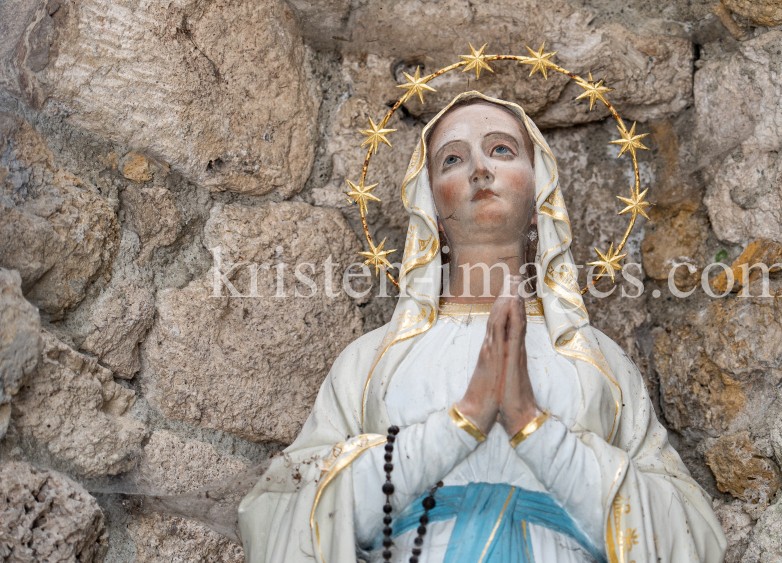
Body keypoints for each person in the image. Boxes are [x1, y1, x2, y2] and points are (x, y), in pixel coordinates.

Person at [237, 91, 727, 563]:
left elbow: (687, 526)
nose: (480, 168)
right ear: (434, 214)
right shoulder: (371, 363)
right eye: (452, 159)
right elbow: (284, 505)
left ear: (540, 199)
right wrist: (460, 424)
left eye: (500, 149)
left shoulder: (596, 360)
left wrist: (531, 427)